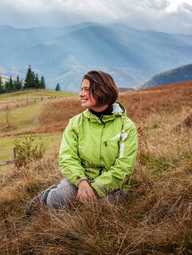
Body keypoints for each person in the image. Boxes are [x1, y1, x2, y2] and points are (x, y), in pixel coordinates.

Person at [26, 70, 138, 215]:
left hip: (113, 185)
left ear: (102, 90)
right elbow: (67, 158)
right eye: (81, 89)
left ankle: (66, 193)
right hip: (80, 180)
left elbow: (124, 167)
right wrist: (82, 183)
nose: (81, 94)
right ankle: (46, 197)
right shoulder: (75, 123)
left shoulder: (126, 126)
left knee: (98, 210)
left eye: (86, 89)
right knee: (57, 201)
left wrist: (96, 188)